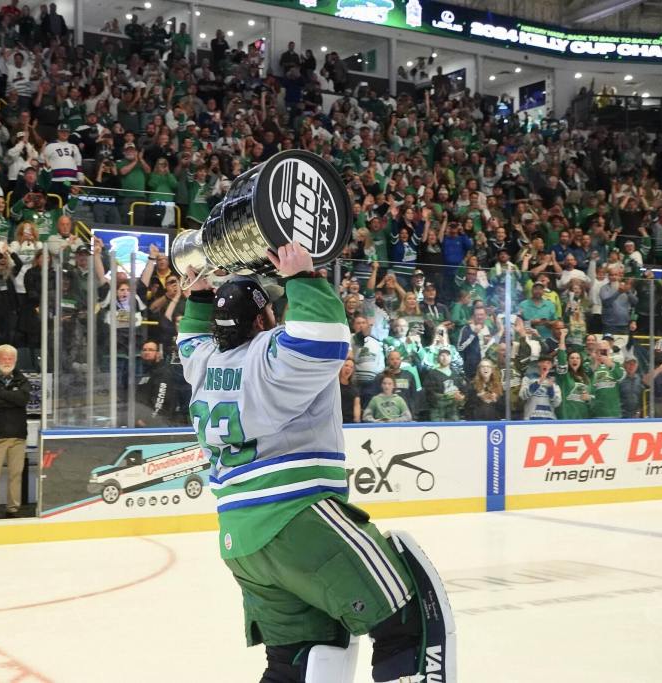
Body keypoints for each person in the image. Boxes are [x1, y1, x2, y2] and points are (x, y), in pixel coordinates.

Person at [177, 242, 454, 683]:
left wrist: (198, 292)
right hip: (296, 516)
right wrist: (302, 275)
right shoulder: (272, 356)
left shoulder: (203, 361)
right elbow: (322, 335)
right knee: (408, 620)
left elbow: (191, 334)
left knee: (296, 661)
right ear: (263, 321)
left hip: (241, 540)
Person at [0, 345, 30, 518]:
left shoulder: (22, 380)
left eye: (10, 358)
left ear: (15, 360)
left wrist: (1, 393)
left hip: (18, 435)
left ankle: (13, 508)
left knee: (15, 475)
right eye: (3, 358)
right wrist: (12, 398)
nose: (7, 361)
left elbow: (23, 399)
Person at [135, 340, 178, 427]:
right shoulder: (146, 373)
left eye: (151, 350)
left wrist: (148, 421)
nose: (147, 352)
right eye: (145, 350)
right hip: (141, 422)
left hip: (156, 424)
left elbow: (160, 400)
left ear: (158, 353)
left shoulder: (163, 373)